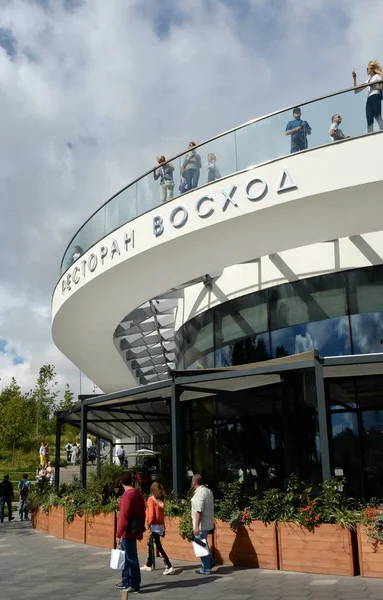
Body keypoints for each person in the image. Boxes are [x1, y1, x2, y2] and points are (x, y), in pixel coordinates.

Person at [115, 472, 146, 593]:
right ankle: (125, 580)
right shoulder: (138, 494)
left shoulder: (127, 496)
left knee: (131, 558)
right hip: (134, 529)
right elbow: (142, 512)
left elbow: (124, 516)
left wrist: (118, 534)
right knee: (127, 558)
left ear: (121, 482)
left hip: (127, 532)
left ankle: (134, 584)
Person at [141, 482, 174, 575]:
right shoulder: (160, 500)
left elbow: (151, 514)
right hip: (159, 525)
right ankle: (149, 564)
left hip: (153, 525)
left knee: (158, 546)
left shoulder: (151, 500)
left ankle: (169, 565)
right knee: (150, 543)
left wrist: (149, 524)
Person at [191, 474, 214, 575]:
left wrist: (196, 526)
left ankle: (206, 568)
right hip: (208, 523)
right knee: (204, 543)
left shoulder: (199, 493)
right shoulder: (208, 491)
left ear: (194, 483)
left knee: (200, 546)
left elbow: (199, 510)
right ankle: (210, 562)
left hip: (201, 524)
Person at [353, 60, 383, 133]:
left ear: (372, 69)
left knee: (377, 116)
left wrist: (372, 85)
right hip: (369, 100)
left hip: (376, 96)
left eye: (367, 68)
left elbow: (380, 87)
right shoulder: (368, 80)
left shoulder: (377, 77)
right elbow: (356, 91)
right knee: (369, 119)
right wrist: (354, 79)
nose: (366, 70)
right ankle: (370, 136)